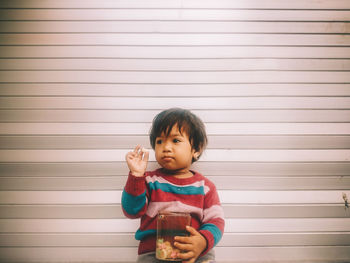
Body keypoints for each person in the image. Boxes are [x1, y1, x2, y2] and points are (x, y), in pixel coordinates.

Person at [121, 108, 225, 263]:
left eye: (175, 140)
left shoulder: (206, 187)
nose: (166, 147)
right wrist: (136, 176)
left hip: (194, 254)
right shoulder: (149, 181)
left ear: (196, 149)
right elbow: (131, 211)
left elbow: (216, 220)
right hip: (153, 254)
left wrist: (202, 241)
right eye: (160, 141)